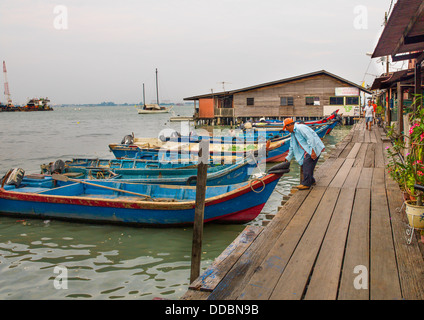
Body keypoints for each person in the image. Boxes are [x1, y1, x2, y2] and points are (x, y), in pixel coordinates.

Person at [282, 118, 325, 190]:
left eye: (286, 127)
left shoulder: (300, 128)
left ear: (289, 125)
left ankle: (306, 184)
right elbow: (292, 146)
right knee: (307, 165)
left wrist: (313, 151)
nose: (286, 130)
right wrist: (288, 158)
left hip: (313, 148)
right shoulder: (293, 133)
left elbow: (311, 138)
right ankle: (311, 181)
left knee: (306, 164)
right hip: (307, 150)